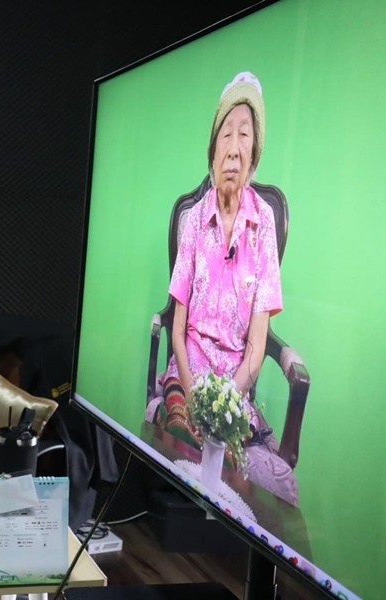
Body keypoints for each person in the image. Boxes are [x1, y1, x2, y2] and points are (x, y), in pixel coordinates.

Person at [150, 71, 298, 506]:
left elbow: (257, 344)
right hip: (189, 373)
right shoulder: (194, 219)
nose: (233, 147)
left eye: (244, 135)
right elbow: (179, 331)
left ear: (253, 157)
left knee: (250, 476)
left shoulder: (263, 223)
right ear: (213, 152)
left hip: (234, 385)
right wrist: (195, 394)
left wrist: (226, 401)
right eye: (225, 135)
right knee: (180, 429)